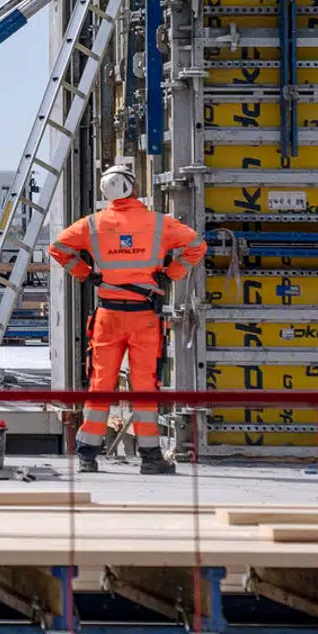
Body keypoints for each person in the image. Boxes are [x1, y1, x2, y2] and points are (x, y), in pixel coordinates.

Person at [49, 165, 207, 475]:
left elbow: (58, 248)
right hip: (143, 316)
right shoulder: (158, 223)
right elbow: (196, 246)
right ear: (133, 187)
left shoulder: (92, 225)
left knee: (100, 384)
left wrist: (86, 274)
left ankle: (87, 455)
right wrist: (169, 275)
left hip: (108, 315)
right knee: (144, 386)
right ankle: (150, 457)